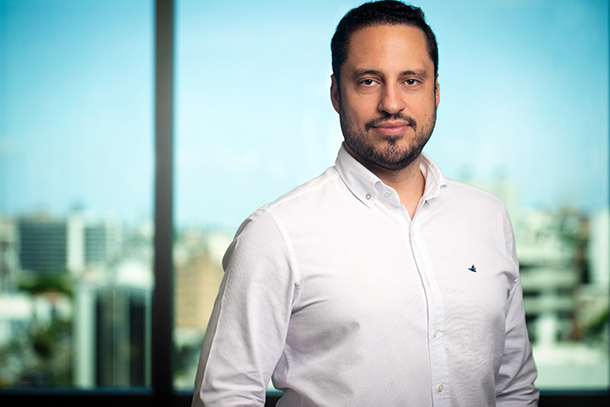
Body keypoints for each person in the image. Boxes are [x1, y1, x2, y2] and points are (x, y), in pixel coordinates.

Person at [192, 1, 539, 405]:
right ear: (336, 94)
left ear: (436, 92)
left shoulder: (488, 217)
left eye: (411, 80)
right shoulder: (276, 233)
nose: (391, 103)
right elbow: (225, 396)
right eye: (369, 81)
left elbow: (513, 388)